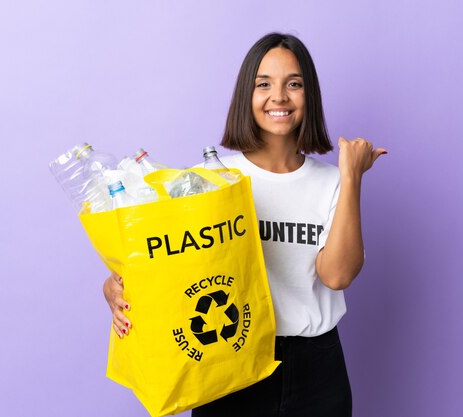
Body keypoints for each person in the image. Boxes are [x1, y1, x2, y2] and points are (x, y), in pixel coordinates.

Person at [103, 32, 387, 417]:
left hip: (316, 366)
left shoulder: (332, 183)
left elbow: (336, 275)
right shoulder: (211, 180)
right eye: (263, 84)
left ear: (309, 95)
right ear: (245, 97)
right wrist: (116, 287)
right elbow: (172, 268)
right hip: (228, 355)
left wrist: (351, 175)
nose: (280, 97)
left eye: (294, 84)